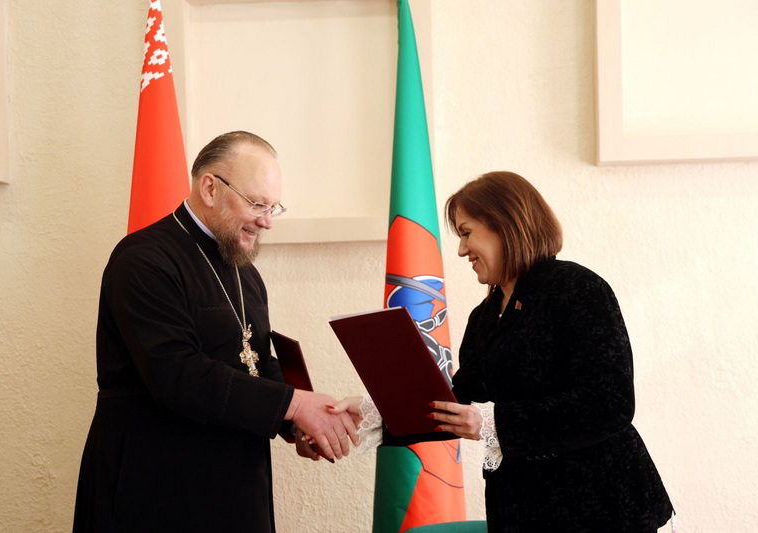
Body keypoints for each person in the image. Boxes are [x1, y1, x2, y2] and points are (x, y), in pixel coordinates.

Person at [332, 171, 674, 532]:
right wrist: (372, 413)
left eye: (466, 233)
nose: (462, 250)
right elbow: (455, 404)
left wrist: (494, 422)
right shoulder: (485, 316)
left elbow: (610, 403)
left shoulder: (579, 288)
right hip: (521, 511)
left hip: (602, 510)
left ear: (504, 224)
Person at [73, 131, 358, 533]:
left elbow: (254, 362)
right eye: (256, 204)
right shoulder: (143, 260)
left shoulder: (246, 272)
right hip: (156, 485)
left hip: (236, 488)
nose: (267, 221)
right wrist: (294, 405)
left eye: (273, 207)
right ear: (209, 188)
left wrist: (298, 424)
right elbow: (176, 374)